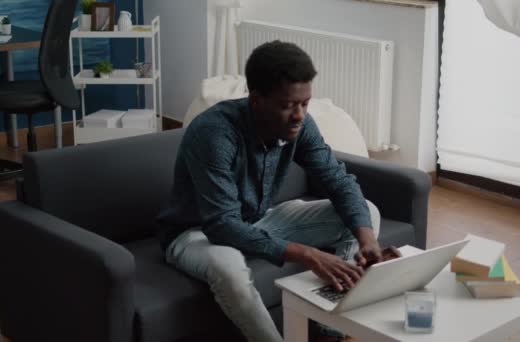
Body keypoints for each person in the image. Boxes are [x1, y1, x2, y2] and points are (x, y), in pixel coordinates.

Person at [158, 40, 382, 342]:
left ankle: (332, 328)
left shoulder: (301, 125)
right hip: (196, 233)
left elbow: (339, 182)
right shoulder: (214, 134)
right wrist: (309, 255)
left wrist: (366, 240)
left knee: (367, 214)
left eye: (305, 103)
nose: (299, 115)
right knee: (230, 269)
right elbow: (222, 224)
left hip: (259, 220)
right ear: (256, 100)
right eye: (288, 105)